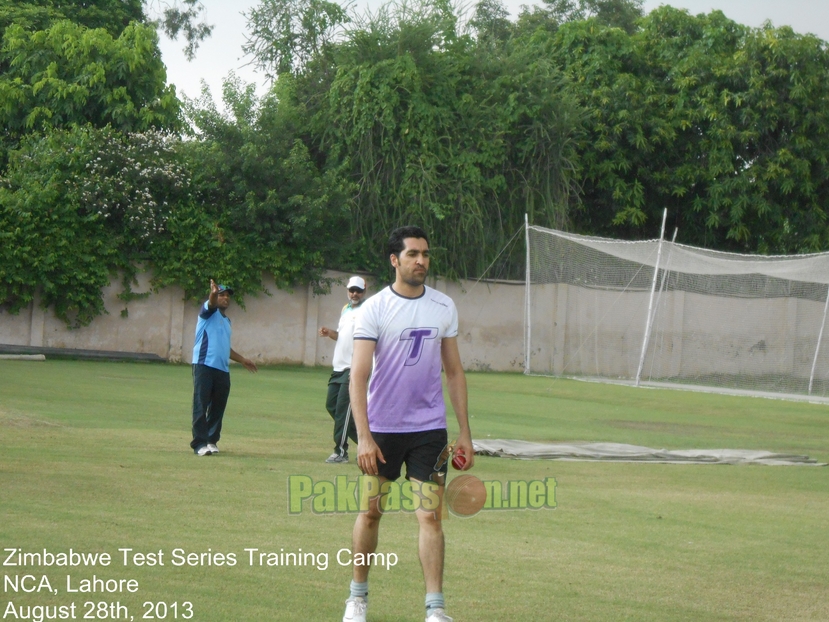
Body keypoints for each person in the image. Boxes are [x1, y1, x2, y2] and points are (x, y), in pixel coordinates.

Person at [342, 226, 474, 622]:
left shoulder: (443, 306)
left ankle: (435, 610)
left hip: (429, 429)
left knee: (431, 516)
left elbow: (454, 371)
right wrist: (363, 437)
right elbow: (359, 377)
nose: (422, 261)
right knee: (370, 513)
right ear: (394, 260)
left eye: (426, 254)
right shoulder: (374, 308)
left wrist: (464, 432)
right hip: (381, 430)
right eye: (413, 254)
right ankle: (357, 599)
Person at [190, 279, 258, 456]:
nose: (225, 298)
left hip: (222, 369)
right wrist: (213, 293)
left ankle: (211, 440)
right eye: (222, 295)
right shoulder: (207, 313)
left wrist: (242, 359)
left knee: (218, 407)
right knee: (201, 404)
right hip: (204, 365)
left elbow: (225, 347)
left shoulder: (227, 321)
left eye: (227, 296)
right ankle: (199, 443)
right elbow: (211, 303)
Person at [318, 276, 367, 463]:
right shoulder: (345, 309)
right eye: (352, 290)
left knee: (342, 410)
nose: (355, 294)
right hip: (338, 366)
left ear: (364, 291)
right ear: (347, 290)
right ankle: (369, 441)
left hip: (353, 367)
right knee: (331, 406)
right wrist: (330, 333)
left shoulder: (366, 310)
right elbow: (342, 336)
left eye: (358, 291)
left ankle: (340, 452)